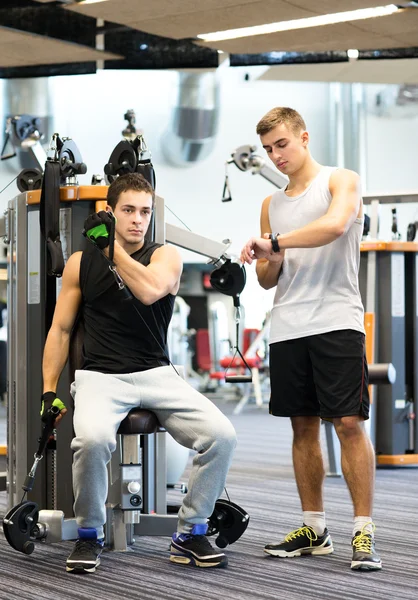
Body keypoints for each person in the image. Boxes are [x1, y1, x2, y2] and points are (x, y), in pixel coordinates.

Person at [41, 172, 237, 574]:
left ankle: (190, 532)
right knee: (92, 440)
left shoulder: (166, 257)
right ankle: (89, 534)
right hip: (101, 378)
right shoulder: (80, 264)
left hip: (158, 375)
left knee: (222, 435)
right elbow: (60, 330)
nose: (137, 219)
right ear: (109, 212)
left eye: (145, 211)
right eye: (128, 210)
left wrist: (110, 250)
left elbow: (149, 290)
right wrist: (48, 390)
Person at [240, 107, 381, 571]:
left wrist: (276, 242)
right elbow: (265, 279)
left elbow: (335, 225)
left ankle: (363, 531)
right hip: (288, 325)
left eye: (281, 144)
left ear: (303, 136)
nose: (275, 155)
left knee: (347, 424)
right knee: (302, 427)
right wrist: (266, 253)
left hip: (337, 320)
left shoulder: (341, 180)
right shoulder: (271, 204)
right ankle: (315, 528)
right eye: (267, 149)